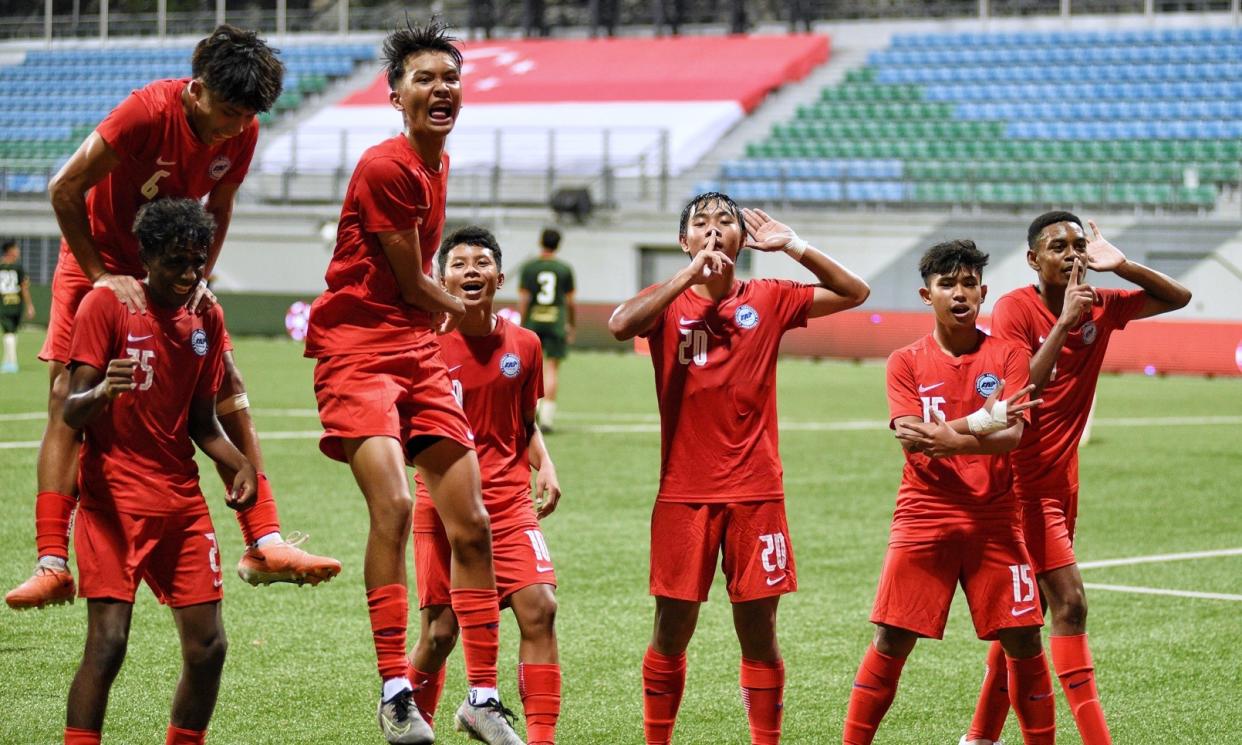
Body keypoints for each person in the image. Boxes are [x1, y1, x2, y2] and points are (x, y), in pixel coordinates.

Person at [5, 24, 339, 612]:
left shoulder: (244, 129)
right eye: (230, 111)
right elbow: (64, 189)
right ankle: (53, 563)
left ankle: (264, 541)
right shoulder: (144, 113)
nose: (237, 127)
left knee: (227, 380)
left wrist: (199, 278)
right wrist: (101, 274)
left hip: (174, 267)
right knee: (67, 394)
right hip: (98, 261)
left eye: (248, 116)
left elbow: (224, 205)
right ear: (197, 88)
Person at [302, 20, 522, 745]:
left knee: (473, 524)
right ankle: (396, 689)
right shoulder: (387, 166)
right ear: (395, 94)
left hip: (414, 349)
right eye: (423, 78)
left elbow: (418, 293)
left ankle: (481, 697)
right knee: (395, 504)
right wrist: (472, 306)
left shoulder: (439, 161)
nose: (440, 89)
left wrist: (450, 312)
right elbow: (407, 280)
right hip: (358, 349)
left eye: (449, 78)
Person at [608, 194, 871, 745]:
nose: (712, 231)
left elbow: (855, 293)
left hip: (757, 493)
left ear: (743, 240)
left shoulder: (769, 298)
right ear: (684, 242)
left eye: (725, 222)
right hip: (683, 495)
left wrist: (794, 246)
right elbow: (619, 325)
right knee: (671, 630)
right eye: (700, 224)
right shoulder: (665, 304)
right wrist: (686, 278)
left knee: (759, 632)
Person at [961, 213, 1191, 745]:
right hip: (1020, 486)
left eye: (1078, 246)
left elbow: (1178, 297)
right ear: (1032, 260)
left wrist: (1123, 264)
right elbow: (1020, 391)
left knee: (1026, 617)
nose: (1070, 254)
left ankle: (980, 736)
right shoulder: (1016, 309)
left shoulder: (1100, 305)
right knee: (1070, 604)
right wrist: (1065, 321)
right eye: (1056, 246)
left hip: (1062, 485)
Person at [841, 240, 1054, 745]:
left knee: (1024, 636)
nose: (959, 294)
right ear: (926, 293)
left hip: (996, 519)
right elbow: (914, 439)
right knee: (892, 635)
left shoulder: (1008, 353)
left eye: (968, 284)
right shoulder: (905, 361)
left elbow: (1013, 435)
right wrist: (981, 419)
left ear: (983, 292)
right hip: (924, 514)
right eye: (946, 284)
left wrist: (954, 433)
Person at [61, 198, 257, 745]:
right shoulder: (107, 307)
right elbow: (70, 410)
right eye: (175, 261)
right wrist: (103, 389)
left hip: (180, 504)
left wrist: (238, 462)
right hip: (112, 504)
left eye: (198, 261)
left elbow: (201, 420)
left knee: (208, 647)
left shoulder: (206, 315)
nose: (189, 274)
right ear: (146, 256)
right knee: (108, 645)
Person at [408, 226, 563, 744]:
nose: (470, 271)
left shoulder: (526, 345)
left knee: (540, 607)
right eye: (458, 263)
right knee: (439, 634)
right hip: (442, 505)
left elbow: (523, 421)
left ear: (499, 276)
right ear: (440, 277)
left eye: (481, 263)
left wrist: (545, 463)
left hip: (509, 500)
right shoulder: (424, 344)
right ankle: (412, 727)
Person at [518, 228, 575, 433]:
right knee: (552, 369)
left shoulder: (529, 268)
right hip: (556, 322)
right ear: (558, 245)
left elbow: (524, 299)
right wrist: (571, 324)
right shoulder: (564, 269)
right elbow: (569, 302)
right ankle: (548, 419)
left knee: (532, 371)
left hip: (534, 322)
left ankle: (532, 413)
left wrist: (522, 325)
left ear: (540, 242)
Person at [1, 239, 36, 373]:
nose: (18, 251)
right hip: (16, 303)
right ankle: (9, 361)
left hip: (4, 304)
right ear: (9, 250)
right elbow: (24, 288)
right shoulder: (18, 267)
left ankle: (11, 362)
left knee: (8, 332)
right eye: (16, 248)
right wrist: (29, 306)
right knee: (12, 332)